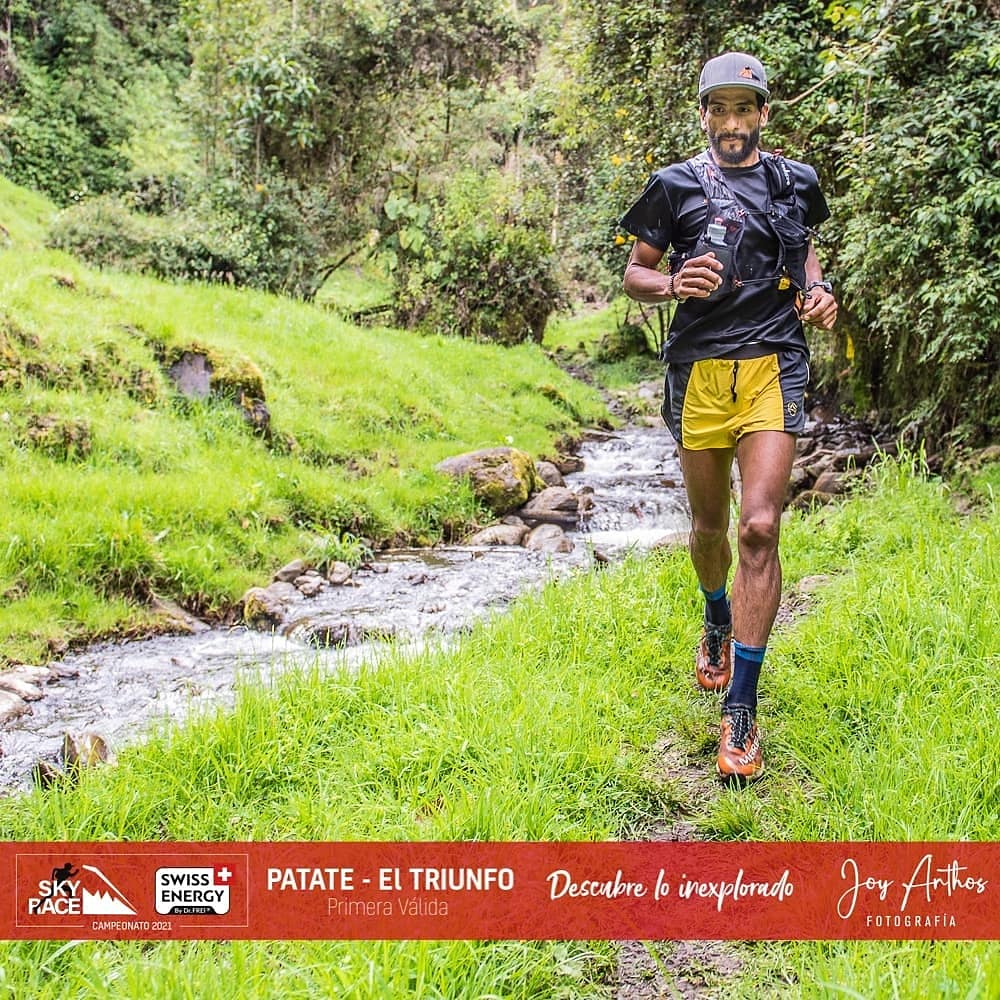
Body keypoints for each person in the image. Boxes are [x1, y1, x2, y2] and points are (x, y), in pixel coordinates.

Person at [619, 52, 837, 784]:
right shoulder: (674, 185)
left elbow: (805, 258)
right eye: (720, 109)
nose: (733, 122)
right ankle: (716, 613)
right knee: (710, 527)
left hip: (774, 363)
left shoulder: (795, 181)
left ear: (764, 114)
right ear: (705, 115)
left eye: (745, 108)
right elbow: (636, 273)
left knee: (759, 527)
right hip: (700, 372)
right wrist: (673, 281)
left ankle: (741, 708)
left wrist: (817, 293)